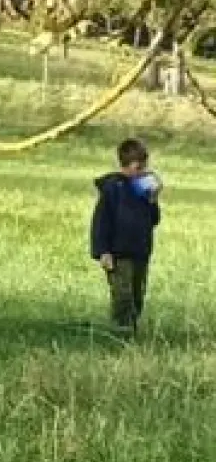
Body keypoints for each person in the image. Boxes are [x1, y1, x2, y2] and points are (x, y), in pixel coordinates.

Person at [91, 138, 162, 336]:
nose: (143, 172)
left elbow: (154, 220)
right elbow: (101, 223)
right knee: (123, 293)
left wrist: (152, 201)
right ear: (129, 166)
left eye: (144, 167)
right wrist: (102, 251)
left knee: (138, 293)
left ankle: (132, 327)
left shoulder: (143, 192)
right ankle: (121, 328)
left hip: (140, 252)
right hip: (118, 254)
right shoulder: (113, 190)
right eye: (139, 167)